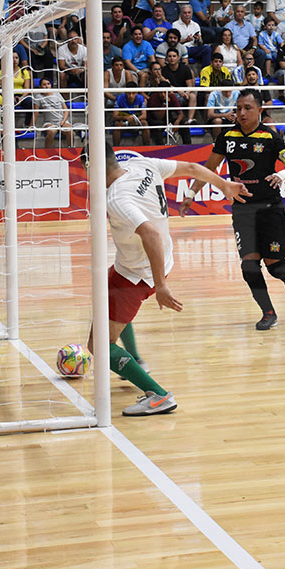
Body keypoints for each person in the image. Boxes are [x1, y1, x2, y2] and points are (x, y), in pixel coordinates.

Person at [90, 142, 250, 416]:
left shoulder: (116, 198)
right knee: (106, 291)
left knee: (100, 347)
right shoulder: (141, 164)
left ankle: (159, 395)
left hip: (138, 273)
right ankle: (136, 359)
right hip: (151, 262)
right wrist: (223, 185)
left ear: (90, 167)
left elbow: (150, 234)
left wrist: (160, 286)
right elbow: (191, 168)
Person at [180, 89, 285, 330]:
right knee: (249, 266)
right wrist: (190, 194)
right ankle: (268, 312)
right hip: (243, 211)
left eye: (247, 108)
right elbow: (208, 169)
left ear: (260, 110)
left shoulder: (271, 137)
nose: (241, 113)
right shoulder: (226, 137)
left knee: (275, 265)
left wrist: (281, 174)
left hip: (271, 209)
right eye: (238, 108)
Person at [34, 77, 73, 147]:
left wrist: (63, 121)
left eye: (48, 84)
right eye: (44, 84)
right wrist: (32, 126)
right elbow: (35, 112)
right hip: (49, 122)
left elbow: (66, 110)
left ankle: (70, 150)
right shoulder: (38, 97)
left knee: (71, 132)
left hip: (62, 121)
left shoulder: (57, 94)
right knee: (52, 131)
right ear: (40, 87)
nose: (46, 86)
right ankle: (47, 152)